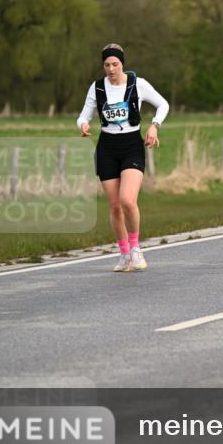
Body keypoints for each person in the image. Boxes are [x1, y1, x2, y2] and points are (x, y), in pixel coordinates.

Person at [76, 44, 168, 273]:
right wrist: (84, 125)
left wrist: (155, 126)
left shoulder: (139, 84)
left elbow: (163, 104)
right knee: (115, 206)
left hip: (131, 146)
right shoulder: (97, 87)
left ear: (122, 64)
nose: (111, 69)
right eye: (107, 65)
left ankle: (136, 249)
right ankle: (124, 254)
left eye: (115, 64)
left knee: (127, 200)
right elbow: (82, 116)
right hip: (107, 147)